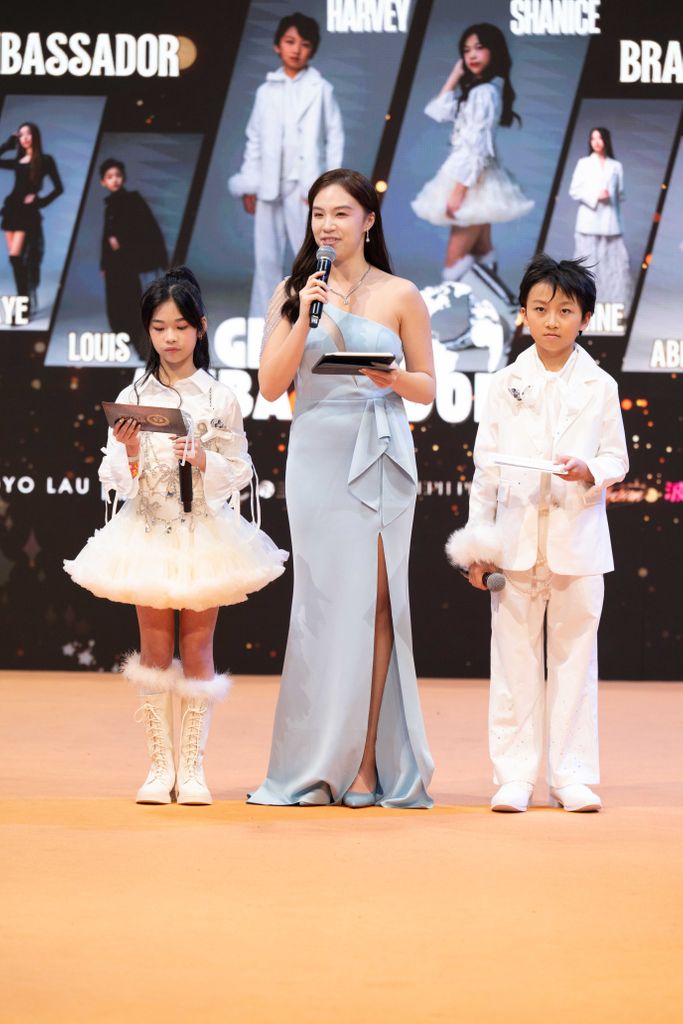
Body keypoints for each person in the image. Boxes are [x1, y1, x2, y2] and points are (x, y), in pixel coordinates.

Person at [64, 267, 287, 805]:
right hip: (148, 532)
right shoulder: (133, 395)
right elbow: (117, 480)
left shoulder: (220, 396)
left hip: (204, 535)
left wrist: (204, 458)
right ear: (148, 331)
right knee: (155, 648)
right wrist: (131, 450)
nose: (170, 338)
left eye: (181, 327)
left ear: (201, 328)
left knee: (198, 646)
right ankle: (158, 768)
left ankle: (192, 770)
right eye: (160, 327)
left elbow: (241, 470)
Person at [249, 168, 435, 809]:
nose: (327, 225)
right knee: (321, 606)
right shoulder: (293, 291)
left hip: (379, 451)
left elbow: (427, 387)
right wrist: (304, 315)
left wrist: (393, 380)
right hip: (316, 456)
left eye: (341, 213)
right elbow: (271, 386)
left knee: (375, 607)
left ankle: (364, 763)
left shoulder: (401, 294)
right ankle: (314, 760)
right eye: (318, 214)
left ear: (368, 221)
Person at [448, 254, 628, 813]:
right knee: (513, 662)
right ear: (523, 314)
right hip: (516, 544)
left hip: (578, 543)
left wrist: (589, 469)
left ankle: (570, 775)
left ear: (585, 319)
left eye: (565, 310)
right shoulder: (504, 384)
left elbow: (617, 458)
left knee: (575, 661)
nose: (552, 320)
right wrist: (479, 548)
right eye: (541, 308)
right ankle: (515, 776)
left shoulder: (600, 385)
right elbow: (485, 471)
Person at [228, 11, 344, 317]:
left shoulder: (322, 89)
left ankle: (314, 320)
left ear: (312, 49)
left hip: (304, 186)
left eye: (304, 44)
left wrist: (327, 189)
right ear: (277, 45)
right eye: (290, 42)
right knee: (265, 258)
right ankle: (264, 321)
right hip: (268, 185)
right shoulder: (265, 91)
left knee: (309, 257)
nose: (296, 50)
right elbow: (254, 138)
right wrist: (249, 183)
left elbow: (335, 138)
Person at [412, 22, 533, 281]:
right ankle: (493, 303)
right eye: (466, 51)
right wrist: (455, 75)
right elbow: (436, 111)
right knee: (481, 249)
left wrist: (459, 190)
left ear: (493, 51)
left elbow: (478, 145)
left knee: (455, 259)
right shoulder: (478, 90)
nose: (472, 55)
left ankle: (473, 300)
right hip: (473, 174)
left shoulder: (484, 92)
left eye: (479, 48)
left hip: (470, 177)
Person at [99, 158, 168, 358]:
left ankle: (141, 347)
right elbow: (105, 237)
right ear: (103, 182)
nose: (115, 180)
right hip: (113, 262)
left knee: (131, 300)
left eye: (118, 176)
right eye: (109, 177)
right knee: (114, 300)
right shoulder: (109, 205)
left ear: (123, 178)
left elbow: (146, 228)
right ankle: (121, 338)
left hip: (128, 258)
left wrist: (123, 244)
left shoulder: (132, 199)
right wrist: (103, 264)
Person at [0, 122, 63, 317]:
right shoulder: (18, 160)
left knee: (15, 257)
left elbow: (59, 188)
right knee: (16, 261)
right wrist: (8, 143)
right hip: (11, 209)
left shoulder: (45, 160)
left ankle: (24, 307)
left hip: (27, 213)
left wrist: (39, 201)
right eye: (21, 135)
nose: (25, 138)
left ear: (35, 136)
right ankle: (24, 302)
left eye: (28, 133)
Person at [569, 126, 632, 309]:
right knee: (588, 262)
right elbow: (574, 191)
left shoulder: (616, 166)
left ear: (606, 140)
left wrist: (611, 196)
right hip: (589, 221)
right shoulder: (584, 163)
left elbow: (621, 193)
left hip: (611, 222)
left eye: (600, 138)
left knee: (613, 263)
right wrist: (596, 196)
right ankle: (585, 303)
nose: (596, 142)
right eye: (593, 138)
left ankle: (612, 302)